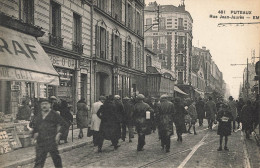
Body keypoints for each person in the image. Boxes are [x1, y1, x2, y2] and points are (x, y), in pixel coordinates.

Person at [32, 98, 67, 168]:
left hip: (51, 140)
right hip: (40, 141)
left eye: (46, 104)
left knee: (56, 159)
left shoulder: (54, 114)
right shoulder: (38, 115)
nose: (44, 106)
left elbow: (64, 124)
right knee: (39, 160)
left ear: (50, 105)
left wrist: (59, 134)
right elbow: (35, 126)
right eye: (42, 104)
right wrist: (34, 136)